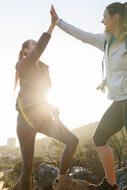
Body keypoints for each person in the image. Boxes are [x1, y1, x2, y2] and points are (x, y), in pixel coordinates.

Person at [50, 2, 127, 190]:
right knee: (99, 137)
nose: (102, 21)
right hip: (118, 101)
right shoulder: (106, 41)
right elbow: (82, 35)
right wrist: (59, 22)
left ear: (115, 17)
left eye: (105, 17)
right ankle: (111, 184)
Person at [14, 15, 78, 190]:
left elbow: (48, 95)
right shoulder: (22, 65)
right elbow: (39, 49)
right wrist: (51, 27)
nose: (36, 47)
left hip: (42, 117)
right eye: (33, 44)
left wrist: (56, 117)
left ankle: (59, 180)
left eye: (36, 43)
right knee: (27, 168)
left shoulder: (44, 70)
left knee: (72, 140)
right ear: (26, 50)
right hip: (25, 121)